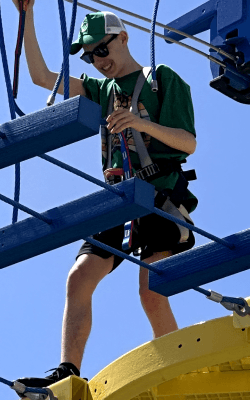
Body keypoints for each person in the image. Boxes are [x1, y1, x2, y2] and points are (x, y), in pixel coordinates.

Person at [12, 0, 198, 389]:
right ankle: (67, 374)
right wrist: (25, 17)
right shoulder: (101, 90)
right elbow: (41, 77)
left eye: (103, 49)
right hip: (119, 197)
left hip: (158, 193)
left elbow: (188, 142)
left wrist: (136, 122)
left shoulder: (160, 79)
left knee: (152, 287)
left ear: (124, 38)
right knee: (79, 278)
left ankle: (175, 370)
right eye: (90, 55)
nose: (98, 60)